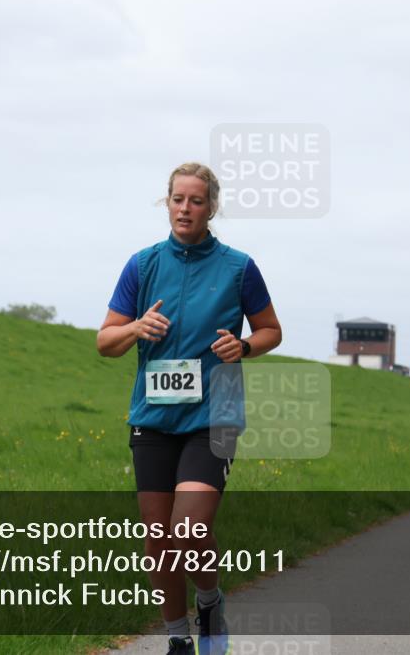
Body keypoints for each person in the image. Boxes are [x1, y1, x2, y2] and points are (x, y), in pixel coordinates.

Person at [97, 162, 282, 655]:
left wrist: (243, 347)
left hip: (214, 415)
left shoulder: (238, 267)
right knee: (158, 539)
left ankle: (210, 600)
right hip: (154, 418)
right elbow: (105, 341)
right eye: (178, 199)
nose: (185, 208)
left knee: (190, 527)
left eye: (196, 200)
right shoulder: (143, 263)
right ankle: (178, 638)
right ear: (168, 203)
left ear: (211, 207)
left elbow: (271, 330)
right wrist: (136, 329)